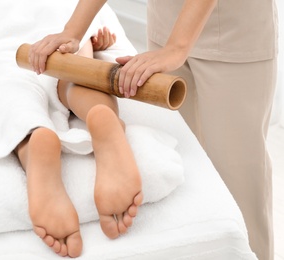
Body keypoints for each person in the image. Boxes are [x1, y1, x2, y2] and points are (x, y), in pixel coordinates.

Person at [29, 1, 278, 259]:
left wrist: (176, 48)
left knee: (239, 183)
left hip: (230, 35)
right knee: (184, 173)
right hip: (167, 26)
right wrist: (73, 31)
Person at [14, 28, 143, 258]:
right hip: (64, 36)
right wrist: (92, 41)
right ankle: (102, 114)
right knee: (77, 74)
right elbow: (83, 30)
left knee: (12, 92)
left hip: (8, 43)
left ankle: (31, 144)